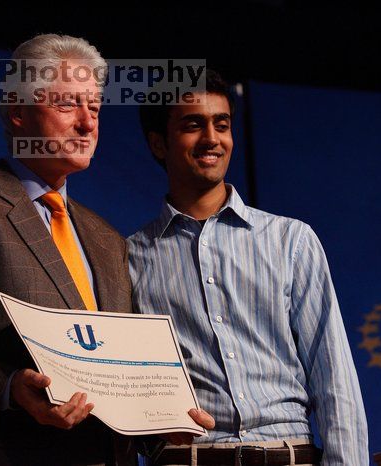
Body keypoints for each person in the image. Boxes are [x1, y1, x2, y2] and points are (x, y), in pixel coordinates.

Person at [0, 34, 212, 465]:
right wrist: (7, 389)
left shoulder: (106, 238)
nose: (87, 124)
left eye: (93, 108)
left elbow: (118, 373)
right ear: (19, 112)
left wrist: (162, 427)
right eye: (67, 105)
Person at [128, 69, 368, 465]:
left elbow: (334, 379)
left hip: (289, 452)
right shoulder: (130, 257)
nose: (212, 139)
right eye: (193, 125)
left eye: (221, 125)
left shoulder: (291, 240)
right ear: (158, 143)